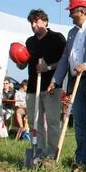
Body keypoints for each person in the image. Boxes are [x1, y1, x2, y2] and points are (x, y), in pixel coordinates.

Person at [48, 0, 86, 170]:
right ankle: (81, 159)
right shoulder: (72, 33)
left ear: (80, 10)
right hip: (77, 83)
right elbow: (66, 57)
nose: (69, 15)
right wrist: (56, 80)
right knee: (80, 122)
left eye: (71, 11)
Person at [16, 9, 66, 159]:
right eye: (31, 22)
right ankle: (39, 152)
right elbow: (24, 64)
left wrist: (48, 67)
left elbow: (64, 62)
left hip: (51, 86)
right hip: (32, 88)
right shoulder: (29, 42)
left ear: (45, 22)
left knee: (52, 122)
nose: (34, 25)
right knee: (33, 122)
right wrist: (19, 61)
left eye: (37, 21)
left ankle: (52, 154)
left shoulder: (57, 38)